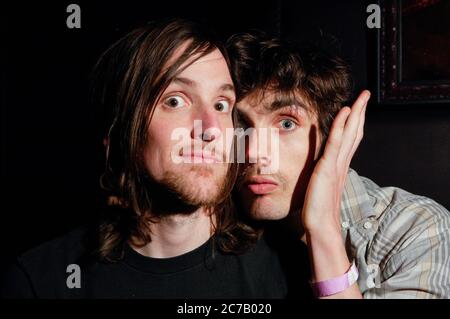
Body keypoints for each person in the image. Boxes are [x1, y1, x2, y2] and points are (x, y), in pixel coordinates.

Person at [0, 20, 289, 298]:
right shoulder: (42, 281)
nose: (211, 128)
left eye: (221, 104)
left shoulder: (284, 271)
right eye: (175, 101)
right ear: (125, 128)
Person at [227, 32, 450, 299]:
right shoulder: (216, 219)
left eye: (286, 123)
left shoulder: (416, 228)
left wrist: (322, 226)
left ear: (333, 135)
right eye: (239, 126)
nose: (252, 152)